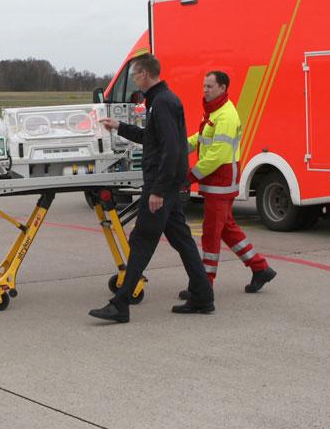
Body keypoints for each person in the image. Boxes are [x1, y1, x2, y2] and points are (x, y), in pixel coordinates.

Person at [89, 54, 214, 323]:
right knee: (182, 240)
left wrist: (158, 190)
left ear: (145, 74)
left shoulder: (163, 102)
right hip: (166, 183)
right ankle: (203, 295)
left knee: (142, 241)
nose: (134, 80)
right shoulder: (160, 101)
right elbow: (152, 140)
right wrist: (121, 126)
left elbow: (172, 149)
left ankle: (120, 304)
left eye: (135, 75)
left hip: (161, 185)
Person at [180, 70, 275, 297]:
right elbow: (201, 139)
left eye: (210, 86)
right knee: (227, 229)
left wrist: (190, 176)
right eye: (204, 86)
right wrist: (180, 146)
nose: (205, 90)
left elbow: (217, 155)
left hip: (220, 182)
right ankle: (260, 268)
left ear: (223, 88)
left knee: (211, 232)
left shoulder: (226, 115)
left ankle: (204, 284)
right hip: (218, 181)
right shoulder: (215, 111)